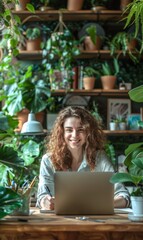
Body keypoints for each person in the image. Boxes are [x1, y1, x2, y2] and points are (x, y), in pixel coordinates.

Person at [36, 106, 130, 210]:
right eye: (69, 130)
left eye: (80, 130)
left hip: (94, 221)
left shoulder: (99, 157)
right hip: (60, 221)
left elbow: (124, 197)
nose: (74, 135)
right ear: (61, 132)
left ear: (88, 133)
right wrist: (46, 202)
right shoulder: (48, 160)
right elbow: (42, 197)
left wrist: (95, 204)